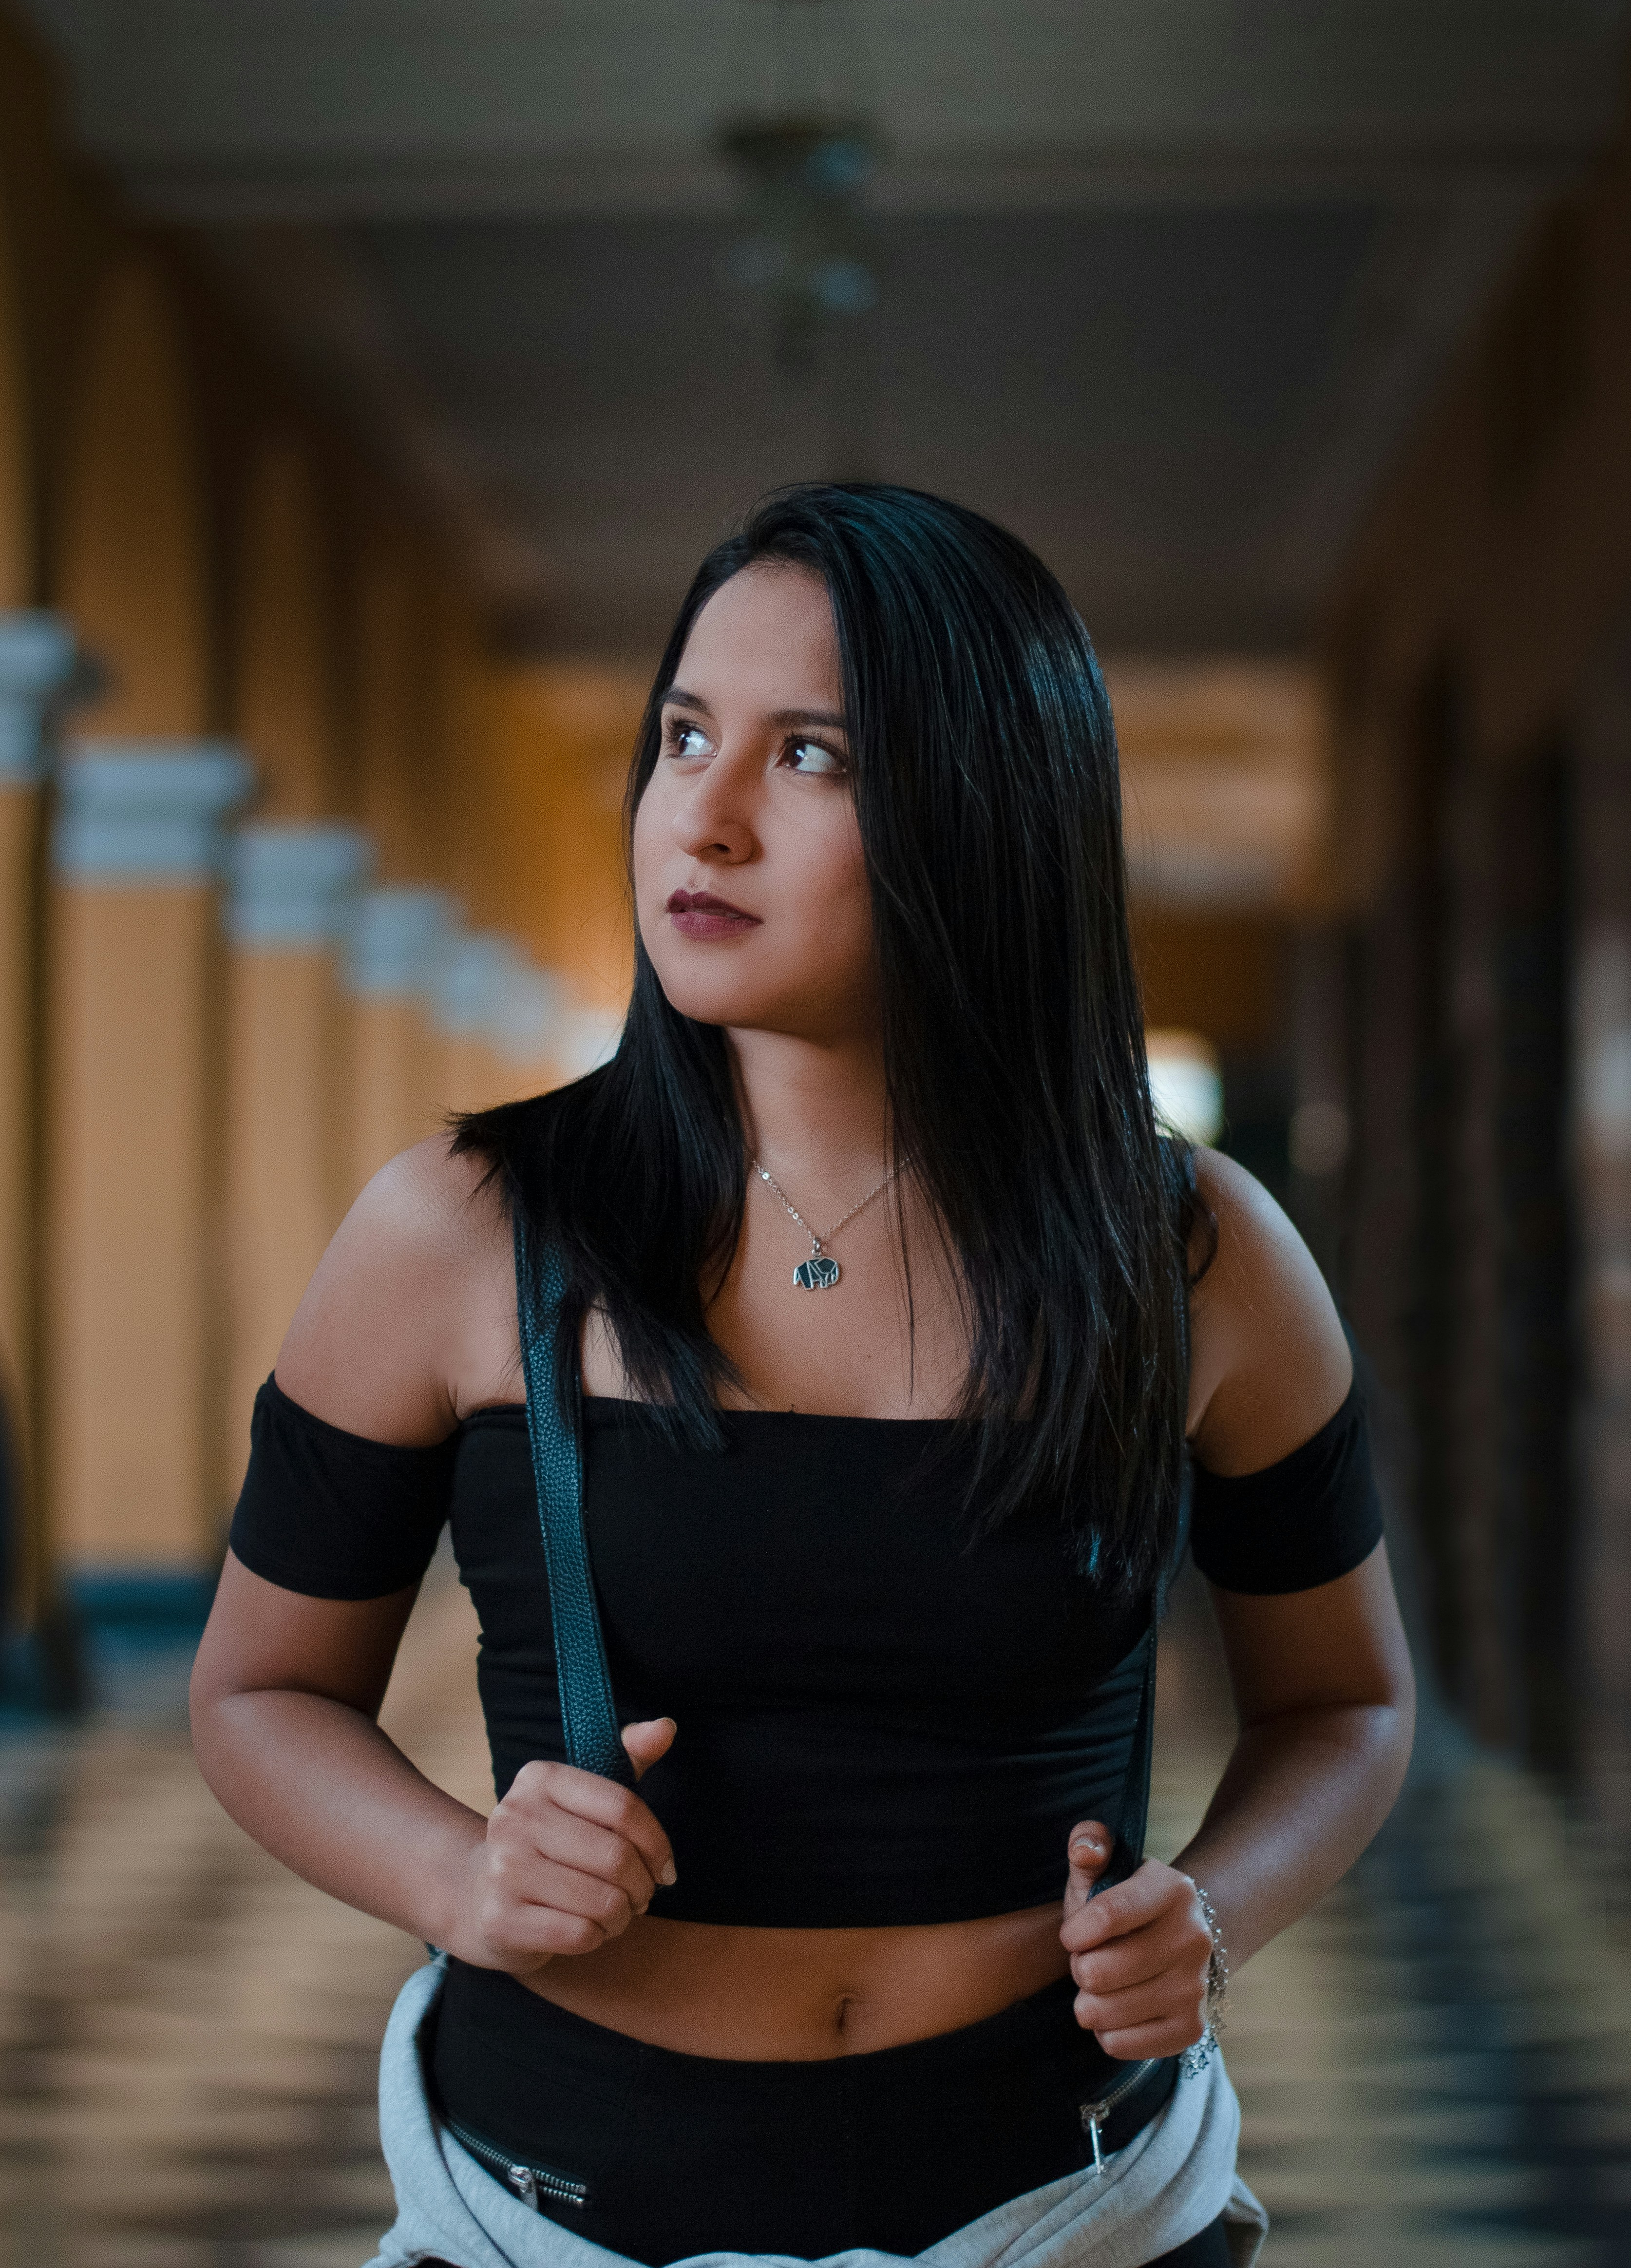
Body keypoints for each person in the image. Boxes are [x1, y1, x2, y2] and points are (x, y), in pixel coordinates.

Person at [191, 485, 1414, 2268]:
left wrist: (1210, 1916)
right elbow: (257, 1692)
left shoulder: (1190, 1256)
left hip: (1064, 2208)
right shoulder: (465, 1229)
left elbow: (1347, 1704)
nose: (705, 812)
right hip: (552, 2213)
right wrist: (455, 1873)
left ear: (985, 813)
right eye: (685, 736)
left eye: (813, 756)